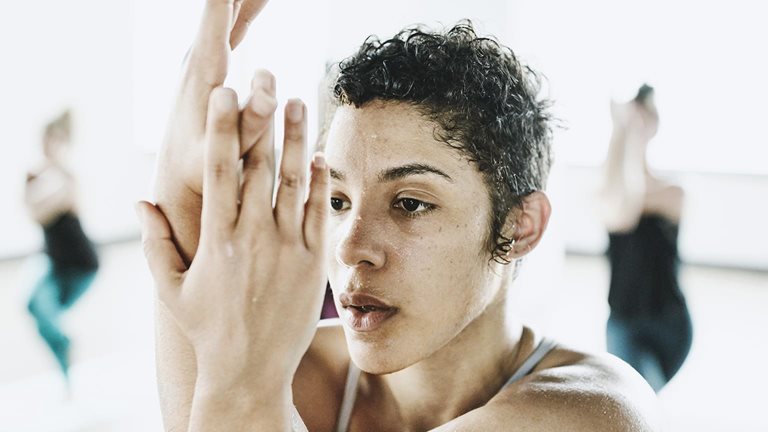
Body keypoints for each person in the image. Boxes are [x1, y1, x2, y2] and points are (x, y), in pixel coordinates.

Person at [136, 1, 660, 430]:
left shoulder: (597, 412)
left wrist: (242, 374)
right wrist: (186, 183)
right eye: (338, 201)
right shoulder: (293, 366)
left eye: (410, 203)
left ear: (519, 226)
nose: (349, 247)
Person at [598, 84, 693, 392]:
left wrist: (632, 136)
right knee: (639, 397)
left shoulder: (673, 192)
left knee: (646, 397)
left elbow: (632, 202)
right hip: (625, 323)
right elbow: (623, 211)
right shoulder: (611, 194)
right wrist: (620, 132)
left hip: (671, 323)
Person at [25, 109, 100, 382]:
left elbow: (61, 202)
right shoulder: (34, 176)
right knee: (33, 306)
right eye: (47, 140)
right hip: (54, 262)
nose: (50, 146)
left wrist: (48, 199)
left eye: (55, 141)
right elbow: (35, 212)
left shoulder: (67, 175)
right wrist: (49, 199)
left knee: (47, 313)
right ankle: (66, 369)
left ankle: (66, 358)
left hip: (81, 264)